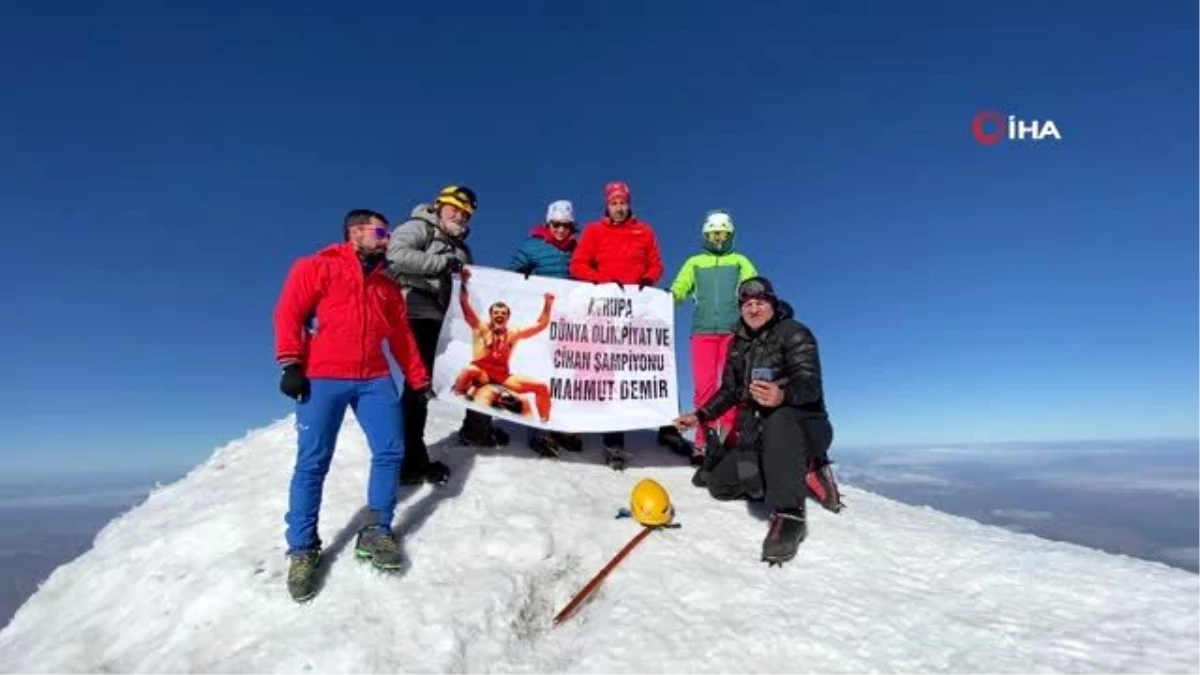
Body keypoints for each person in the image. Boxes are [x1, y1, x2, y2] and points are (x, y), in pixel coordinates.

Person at [273, 208, 431, 602]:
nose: (386, 237)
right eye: (380, 231)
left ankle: (378, 529)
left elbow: (401, 337)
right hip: (323, 376)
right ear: (355, 232)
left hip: (374, 378)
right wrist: (291, 361)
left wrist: (417, 378)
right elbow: (289, 312)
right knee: (313, 462)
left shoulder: (388, 286)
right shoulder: (317, 267)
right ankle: (303, 549)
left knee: (391, 451)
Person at [673, 276, 844, 566]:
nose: (753, 309)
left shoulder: (794, 333)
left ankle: (791, 513)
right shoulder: (738, 344)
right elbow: (729, 391)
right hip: (760, 433)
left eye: (760, 302)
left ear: (773, 303)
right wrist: (699, 415)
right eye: (747, 304)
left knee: (779, 417)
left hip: (806, 427)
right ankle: (794, 471)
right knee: (719, 485)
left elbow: (810, 386)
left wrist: (783, 394)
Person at [385, 185, 508, 488]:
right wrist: (441, 263)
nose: (460, 216)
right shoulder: (420, 227)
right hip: (416, 309)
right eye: (455, 209)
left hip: (447, 319)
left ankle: (477, 428)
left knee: (477, 368)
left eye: (466, 214)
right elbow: (395, 253)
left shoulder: (462, 248)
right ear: (440, 206)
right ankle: (410, 461)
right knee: (418, 384)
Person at [569, 181, 691, 469]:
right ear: (607, 205)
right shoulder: (593, 230)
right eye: (614, 202)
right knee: (612, 370)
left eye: (623, 202)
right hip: (607, 310)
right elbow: (578, 265)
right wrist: (604, 283)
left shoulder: (644, 230)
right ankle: (614, 442)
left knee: (652, 365)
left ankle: (667, 428)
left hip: (639, 311)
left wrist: (648, 280)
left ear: (629, 203)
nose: (619, 207)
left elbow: (656, 264)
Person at [669, 209, 760, 463]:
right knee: (705, 387)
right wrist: (665, 299)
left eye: (722, 234)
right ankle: (701, 442)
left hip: (734, 332)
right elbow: (680, 289)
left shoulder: (741, 261)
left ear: (730, 235)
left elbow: (754, 288)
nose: (718, 239)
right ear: (705, 236)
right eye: (713, 234)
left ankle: (728, 438)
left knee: (732, 386)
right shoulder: (694, 263)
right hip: (703, 332)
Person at [508, 199, 583, 456]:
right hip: (542, 320)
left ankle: (561, 427)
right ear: (548, 223)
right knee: (541, 373)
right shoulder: (532, 247)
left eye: (566, 225)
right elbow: (510, 276)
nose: (561, 230)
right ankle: (538, 431)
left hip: (570, 323)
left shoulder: (579, 250)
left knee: (566, 375)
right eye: (556, 224)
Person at [451, 266, 555, 422]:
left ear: (507, 317)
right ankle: (457, 395)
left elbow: (540, 325)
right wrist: (463, 282)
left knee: (542, 387)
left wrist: (548, 303)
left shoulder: (513, 334)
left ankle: (544, 424)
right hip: (482, 374)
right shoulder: (481, 328)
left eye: (503, 314)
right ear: (491, 315)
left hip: (503, 377)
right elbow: (465, 304)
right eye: (496, 313)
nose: (499, 316)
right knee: (468, 370)